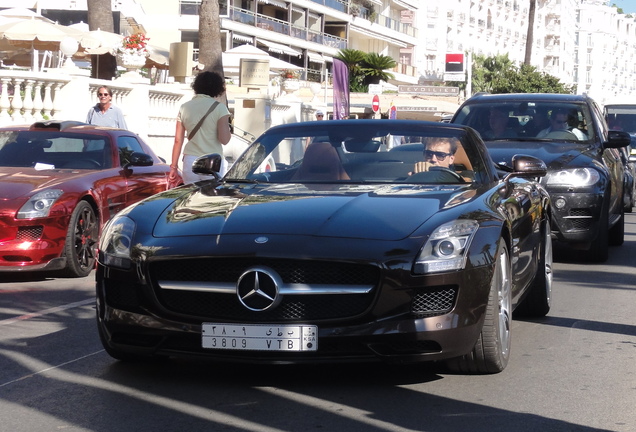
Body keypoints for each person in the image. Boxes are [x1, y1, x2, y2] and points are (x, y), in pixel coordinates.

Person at [169, 71, 231, 184]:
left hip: (190, 161)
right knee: (211, 199)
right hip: (212, 162)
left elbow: (178, 140)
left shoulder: (184, 107)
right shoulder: (220, 108)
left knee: (192, 198)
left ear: (196, 86)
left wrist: (173, 166)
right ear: (217, 88)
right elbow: (225, 140)